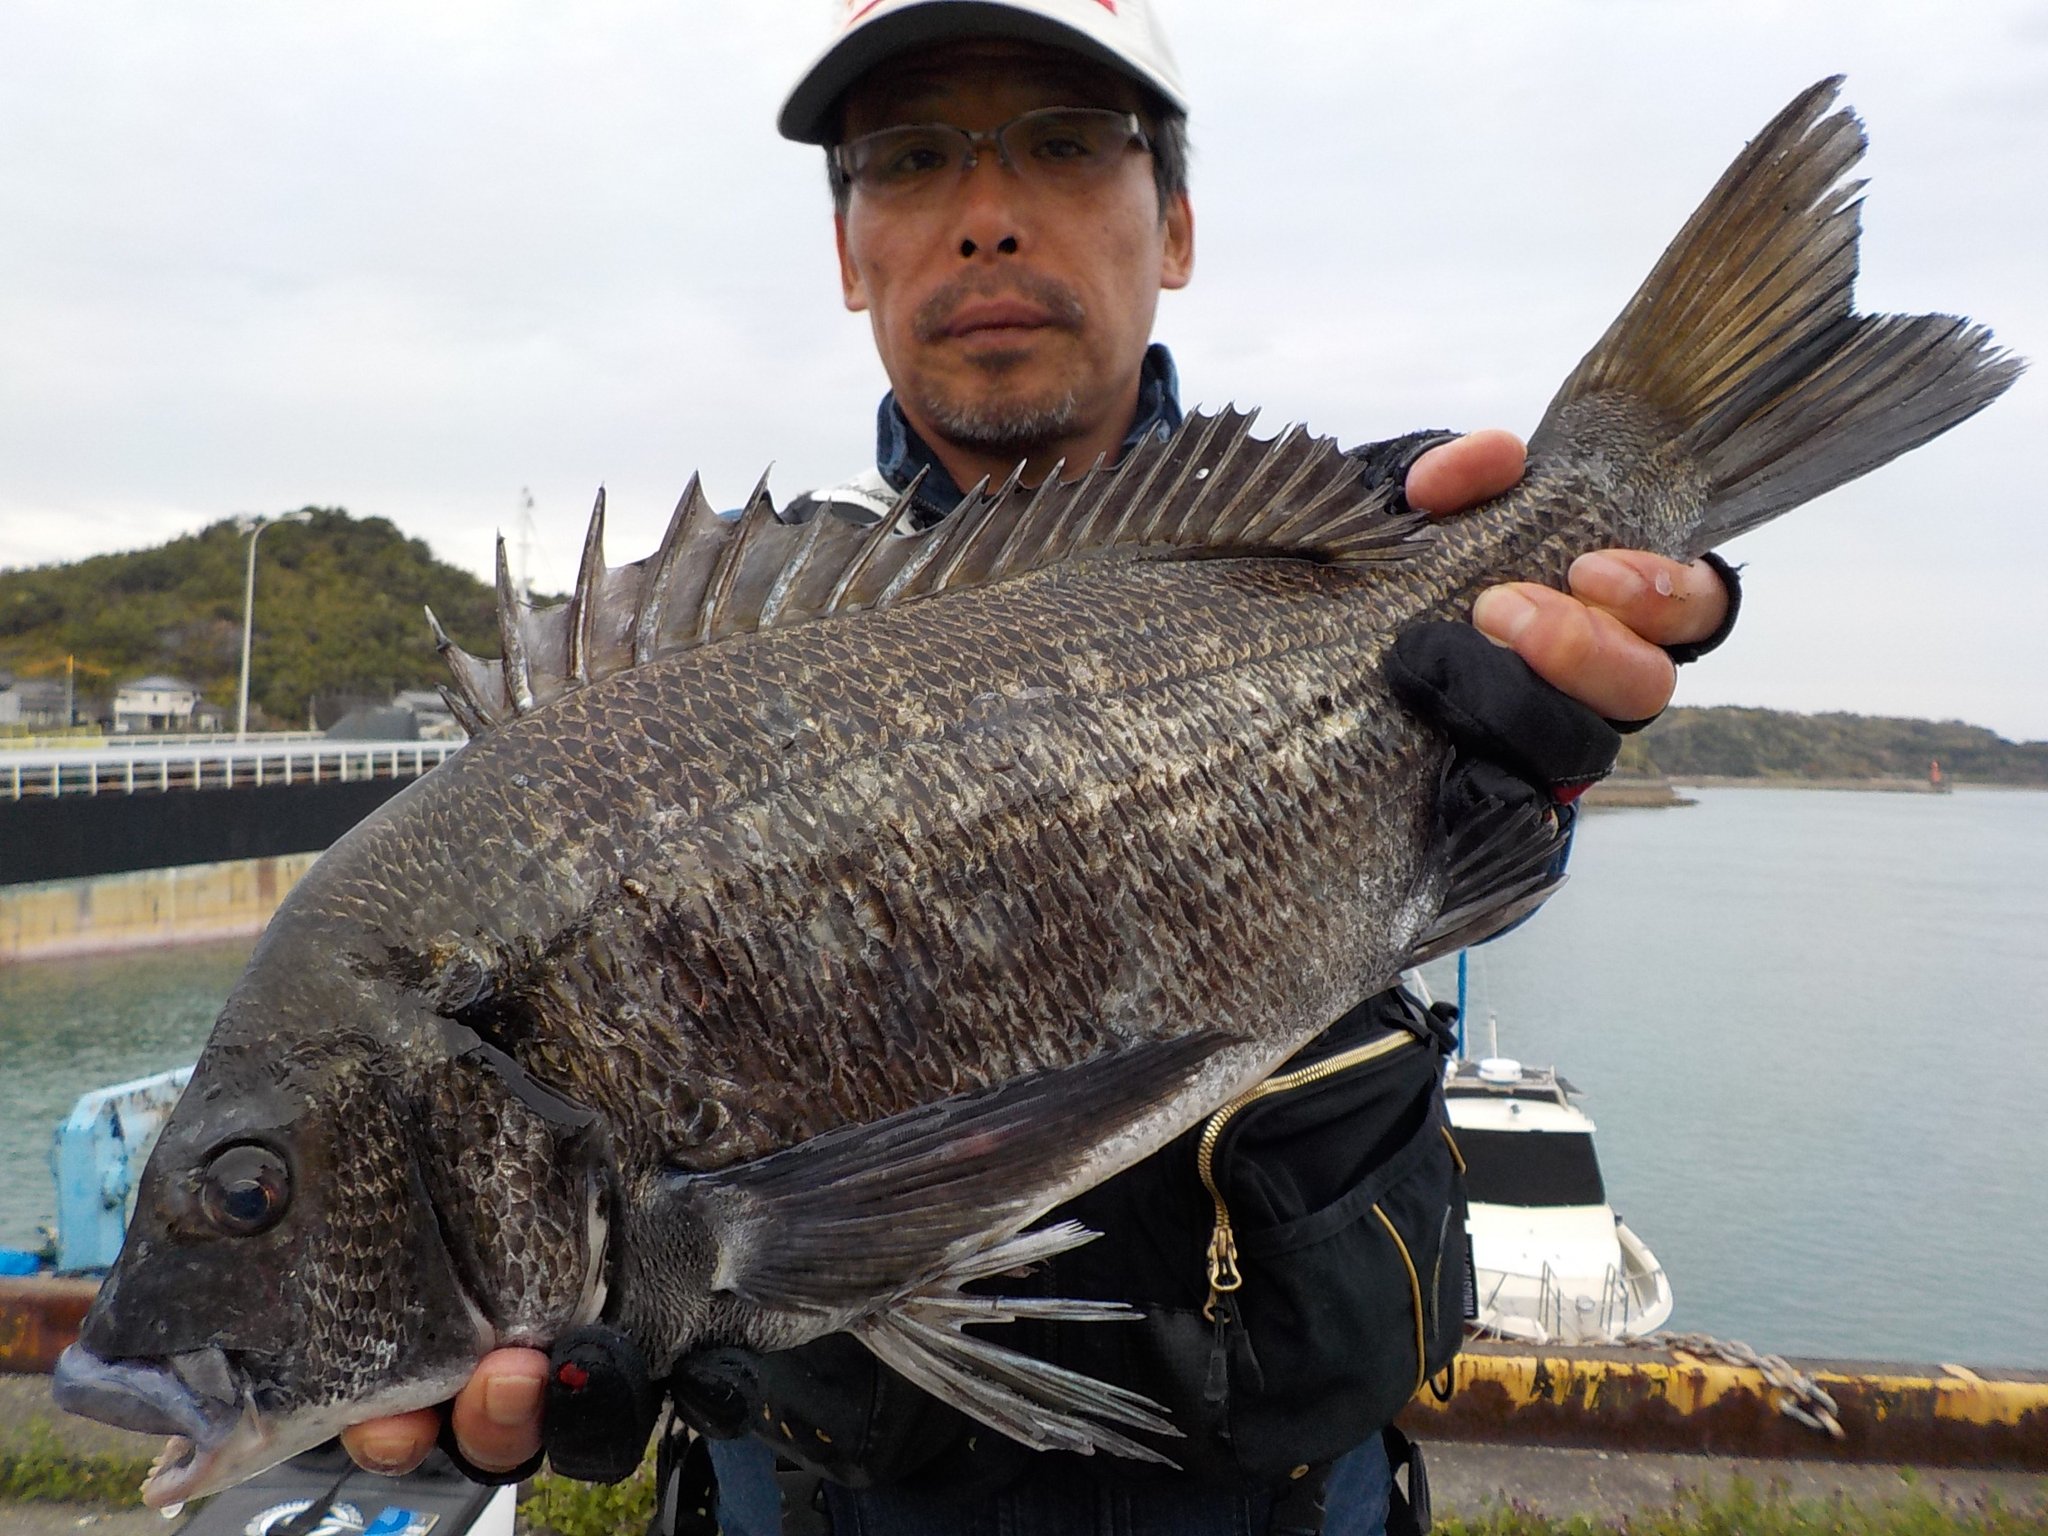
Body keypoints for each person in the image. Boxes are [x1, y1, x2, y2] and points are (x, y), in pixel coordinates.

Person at [344, 2, 1734, 1530]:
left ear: (1177, 225)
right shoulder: (674, 692)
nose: (988, 216)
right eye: (912, 157)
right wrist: (422, 1357)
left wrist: (1553, 687)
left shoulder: (1358, 558)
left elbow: (1475, 825)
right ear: (848, 249)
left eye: (1065, 144)